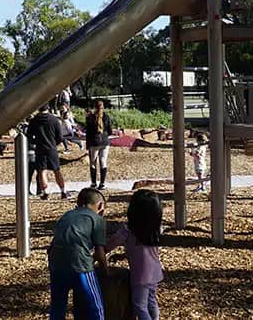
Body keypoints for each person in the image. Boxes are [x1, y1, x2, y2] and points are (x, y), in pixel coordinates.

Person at [48, 188, 109, 320]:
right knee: (95, 305)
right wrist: (106, 271)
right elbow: (99, 253)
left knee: (58, 305)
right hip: (80, 264)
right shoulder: (97, 220)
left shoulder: (67, 215)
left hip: (56, 263)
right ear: (100, 206)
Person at [107, 189, 164, 320]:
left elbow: (110, 244)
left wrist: (99, 252)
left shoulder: (127, 232)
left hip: (141, 275)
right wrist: (123, 255)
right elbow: (142, 252)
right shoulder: (155, 231)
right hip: (155, 272)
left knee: (139, 305)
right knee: (151, 301)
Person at [28, 105, 68, 200]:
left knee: (42, 171)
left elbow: (29, 136)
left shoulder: (34, 120)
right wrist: (54, 143)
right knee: (57, 171)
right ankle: (63, 191)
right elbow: (60, 137)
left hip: (40, 148)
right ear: (48, 108)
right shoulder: (54, 119)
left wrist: (36, 142)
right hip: (51, 148)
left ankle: (44, 192)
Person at [86, 99, 114, 190]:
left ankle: (93, 183)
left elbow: (88, 133)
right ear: (103, 107)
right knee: (103, 161)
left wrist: (87, 145)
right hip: (105, 141)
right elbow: (110, 131)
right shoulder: (107, 117)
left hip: (94, 142)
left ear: (95, 108)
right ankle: (102, 183)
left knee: (93, 163)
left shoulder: (90, 117)